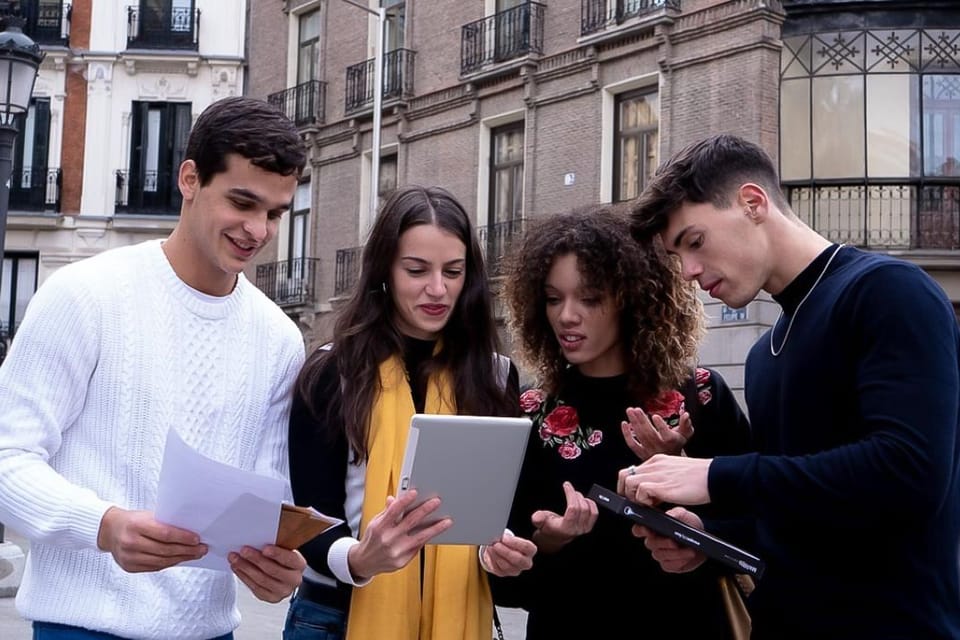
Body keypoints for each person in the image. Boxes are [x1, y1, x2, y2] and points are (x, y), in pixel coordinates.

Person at [624, 134, 960, 638]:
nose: (689, 272)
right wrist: (707, 536)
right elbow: (798, 514)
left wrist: (714, 476)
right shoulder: (764, 353)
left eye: (695, 242)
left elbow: (908, 473)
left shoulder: (888, 291)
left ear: (752, 203)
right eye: (678, 256)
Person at [0, 96, 309, 639]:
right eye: (242, 202)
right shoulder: (83, 296)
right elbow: (6, 458)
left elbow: (267, 493)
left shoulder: (280, 338)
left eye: (275, 213)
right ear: (189, 179)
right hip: (80, 627)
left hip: (212, 631)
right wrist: (104, 526)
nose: (257, 229)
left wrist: (276, 567)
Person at [285, 185, 537, 640]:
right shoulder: (331, 371)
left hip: (461, 610)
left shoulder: (497, 375)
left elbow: (497, 513)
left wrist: (499, 552)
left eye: (453, 271)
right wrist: (360, 558)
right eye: (416, 270)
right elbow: (309, 517)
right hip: (335, 618)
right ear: (384, 270)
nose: (437, 289)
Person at [490, 206, 752, 638]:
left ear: (632, 299)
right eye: (554, 298)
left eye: (589, 298)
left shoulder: (700, 395)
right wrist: (553, 539)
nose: (566, 316)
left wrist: (682, 475)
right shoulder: (529, 411)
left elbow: (759, 521)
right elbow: (505, 578)